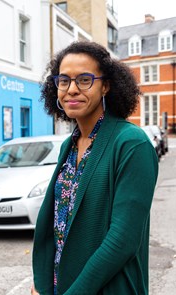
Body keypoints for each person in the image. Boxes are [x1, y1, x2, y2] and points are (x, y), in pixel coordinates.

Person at [31, 41, 159, 295]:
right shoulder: (69, 145)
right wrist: (41, 283)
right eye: (64, 80)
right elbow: (56, 226)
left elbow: (122, 240)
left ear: (106, 85)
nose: (72, 89)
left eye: (85, 79)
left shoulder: (132, 143)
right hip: (61, 285)